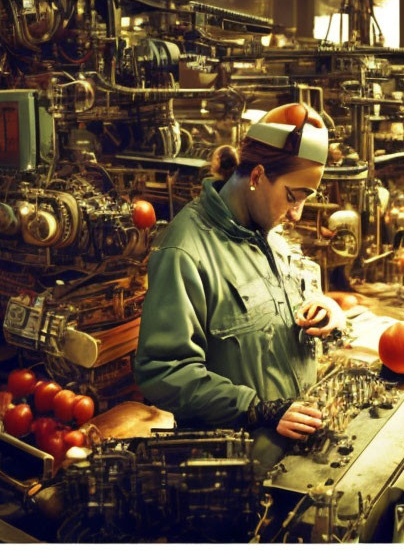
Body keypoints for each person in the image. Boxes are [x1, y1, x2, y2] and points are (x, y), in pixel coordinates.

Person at [134, 103, 345, 473]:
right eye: (293, 196)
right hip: (234, 465)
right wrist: (254, 408)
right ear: (258, 175)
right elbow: (163, 373)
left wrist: (324, 306)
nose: (296, 213)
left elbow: (280, 302)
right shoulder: (185, 251)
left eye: (305, 199)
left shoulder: (266, 229)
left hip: (295, 449)